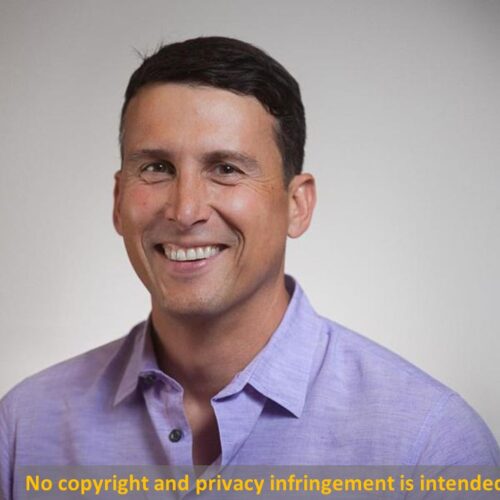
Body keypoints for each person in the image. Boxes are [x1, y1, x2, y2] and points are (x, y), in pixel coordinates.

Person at [0, 36, 498, 497]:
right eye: (156, 168)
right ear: (117, 201)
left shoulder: (429, 449)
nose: (185, 210)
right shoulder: (24, 429)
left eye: (226, 169)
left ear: (297, 205)